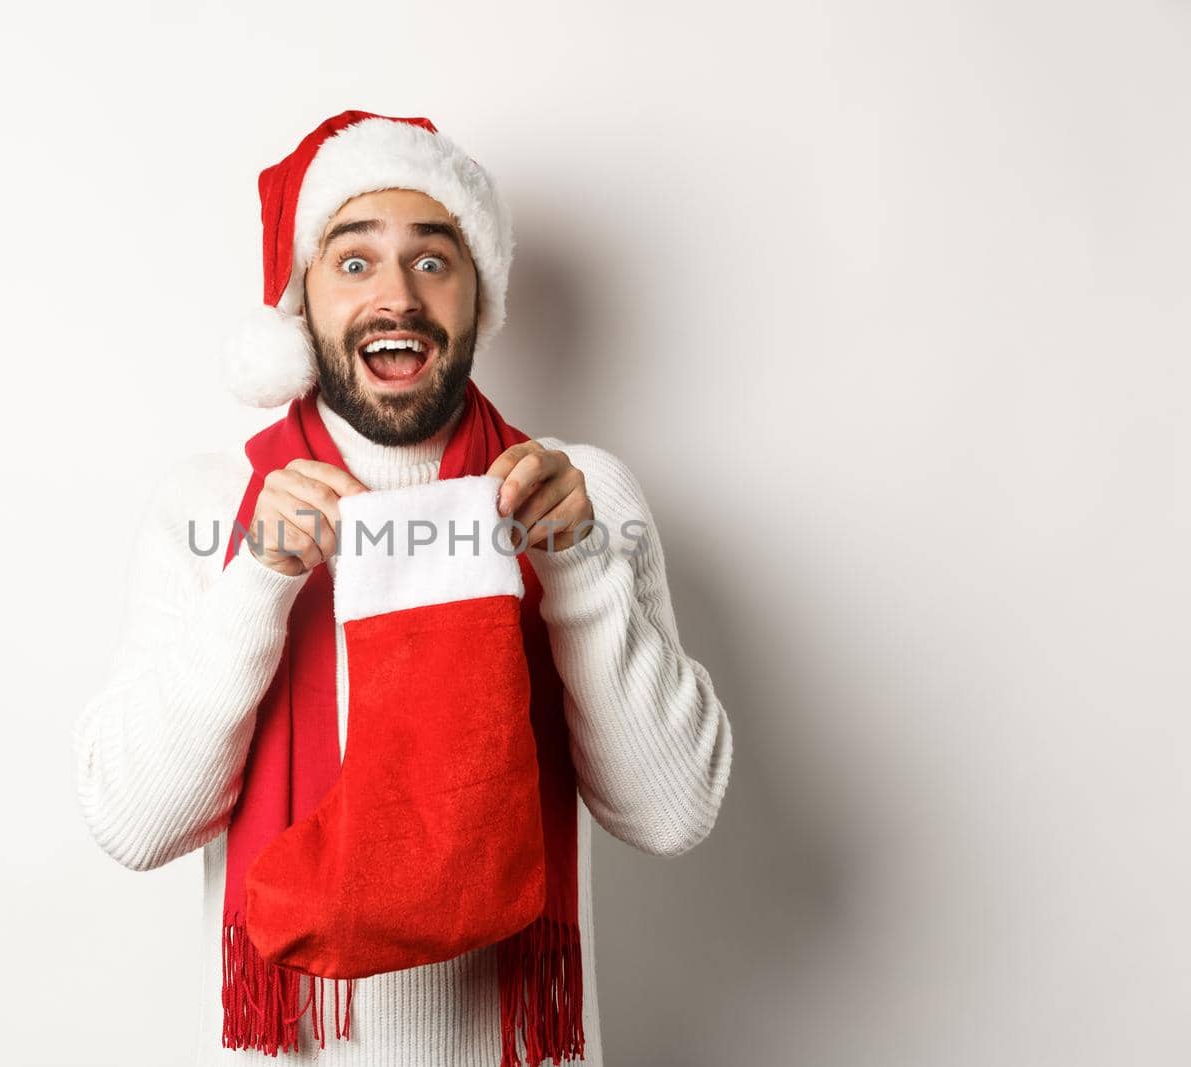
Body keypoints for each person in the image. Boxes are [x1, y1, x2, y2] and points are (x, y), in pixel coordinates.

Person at [71, 110, 733, 1066]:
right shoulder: (212, 507)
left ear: (478, 297)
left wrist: (577, 566)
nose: (396, 296)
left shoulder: (578, 497)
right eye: (353, 262)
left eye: (433, 261)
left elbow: (673, 815)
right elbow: (134, 822)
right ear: (301, 305)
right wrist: (258, 579)